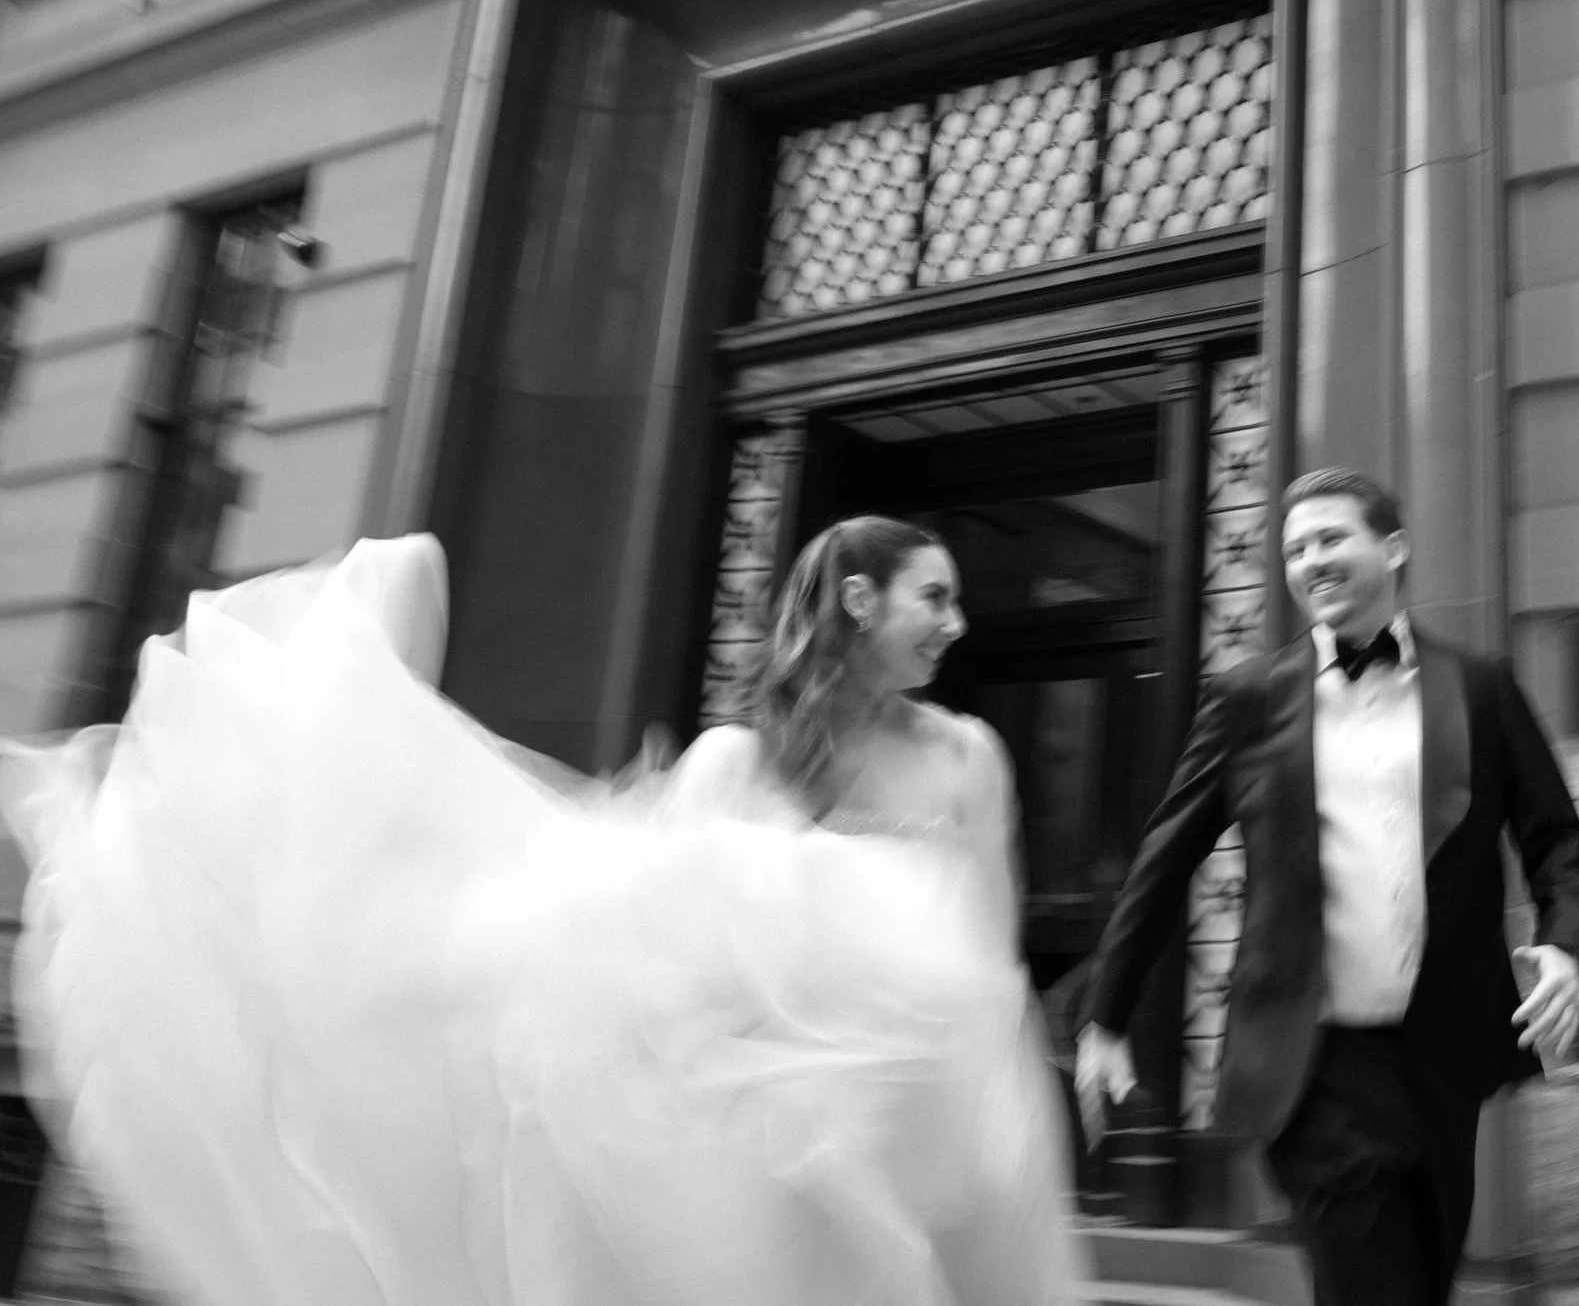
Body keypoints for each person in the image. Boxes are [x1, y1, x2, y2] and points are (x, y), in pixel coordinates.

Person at [1, 518, 1084, 1306]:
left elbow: (988, 948)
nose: (956, 622)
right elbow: (654, 979)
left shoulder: (968, 756)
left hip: (932, 1129)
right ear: (859, 599)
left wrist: (1003, 1096)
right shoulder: (733, 765)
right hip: (777, 1165)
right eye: (934, 595)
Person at [1076, 467, 1579, 1306]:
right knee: (1370, 1277)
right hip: (1314, 1059)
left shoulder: (1480, 686)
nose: (1309, 560)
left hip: (1441, 1051)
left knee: (1421, 1277)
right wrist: (1106, 1015)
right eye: (1294, 548)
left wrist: (1568, 948)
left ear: (1392, 547)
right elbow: (1164, 859)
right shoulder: (1249, 699)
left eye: (1330, 538)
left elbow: (1558, 840)